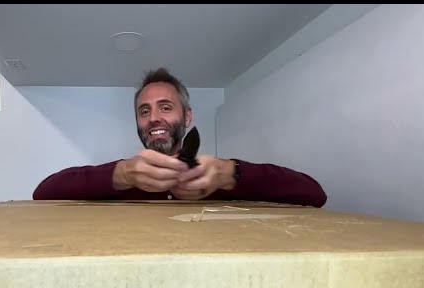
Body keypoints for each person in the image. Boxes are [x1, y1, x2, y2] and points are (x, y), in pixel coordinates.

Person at [32, 67, 327, 207]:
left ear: (186, 117)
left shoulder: (216, 179)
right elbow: (43, 193)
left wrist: (232, 174)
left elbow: (314, 194)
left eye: (165, 107)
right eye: (144, 111)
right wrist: (121, 174)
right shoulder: (121, 181)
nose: (153, 118)